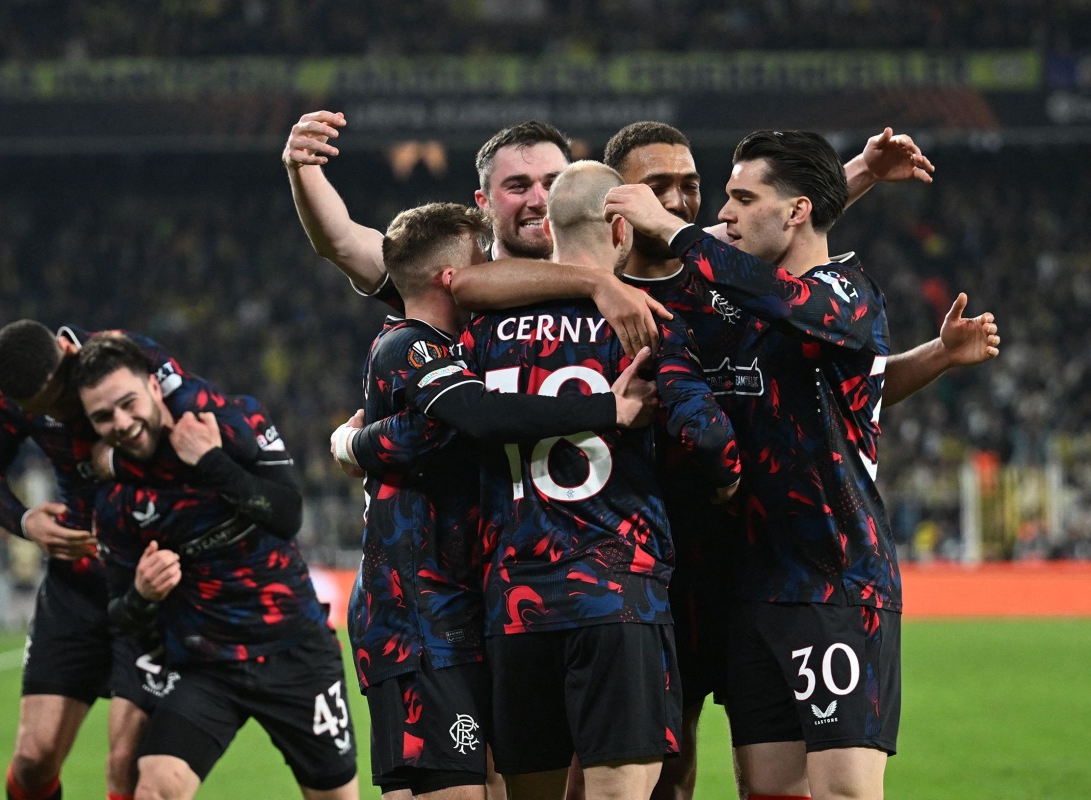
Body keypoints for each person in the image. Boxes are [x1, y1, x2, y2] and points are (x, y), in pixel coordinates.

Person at [399, 161, 737, 800]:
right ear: (618, 230)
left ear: (548, 228)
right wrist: (724, 481)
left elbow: (461, 289)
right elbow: (709, 437)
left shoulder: (480, 332)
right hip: (618, 598)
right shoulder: (646, 323)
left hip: (516, 604)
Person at [602, 129, 908, 800]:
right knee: (769, 791)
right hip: (752, 590)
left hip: (833, 583)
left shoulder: (849, 295)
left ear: (795, 211)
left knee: (844, 792)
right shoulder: (734, 302)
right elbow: (749, 270)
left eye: (741, 198)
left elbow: (786, 292)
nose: (723, 214)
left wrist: (678, 234)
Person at [328, 201, 657, 800]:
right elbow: (477, 416)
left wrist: (357, 443)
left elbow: (419, 435)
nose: (492, 274)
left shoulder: (462, 350)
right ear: (448, 278)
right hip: (415, 616)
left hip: (461, 609)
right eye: (481, 259)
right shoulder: (410, 344)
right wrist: (609, 409)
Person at [72, 334, 359, 800]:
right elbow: (120, 615)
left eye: (127, 403)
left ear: (152, 385)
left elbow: (288, 515)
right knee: (153, 790)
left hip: (295, 652)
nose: (121, 423)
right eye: (103, 417)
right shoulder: (117, 500)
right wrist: (143, 594)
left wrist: (209, 463)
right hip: (208, 666)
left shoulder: (232, 420)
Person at [0, 319, 222, 800]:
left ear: (67, 353)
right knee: (33, 759)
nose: (62, 414)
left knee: (126, 767)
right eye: (43, 412)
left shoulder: (128, 361)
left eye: (63, 398)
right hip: (76, 587)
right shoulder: (11, 393)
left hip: (149, 588)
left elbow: (209, 439)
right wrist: (26, 523)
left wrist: (126, 459)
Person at [283, 110, 666, 355]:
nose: (539, 200)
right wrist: (303, 168)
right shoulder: (451, 268)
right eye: (517, 186)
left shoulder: (621, 265)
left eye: (553, 182)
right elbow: (342, 242)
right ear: (483, 201)